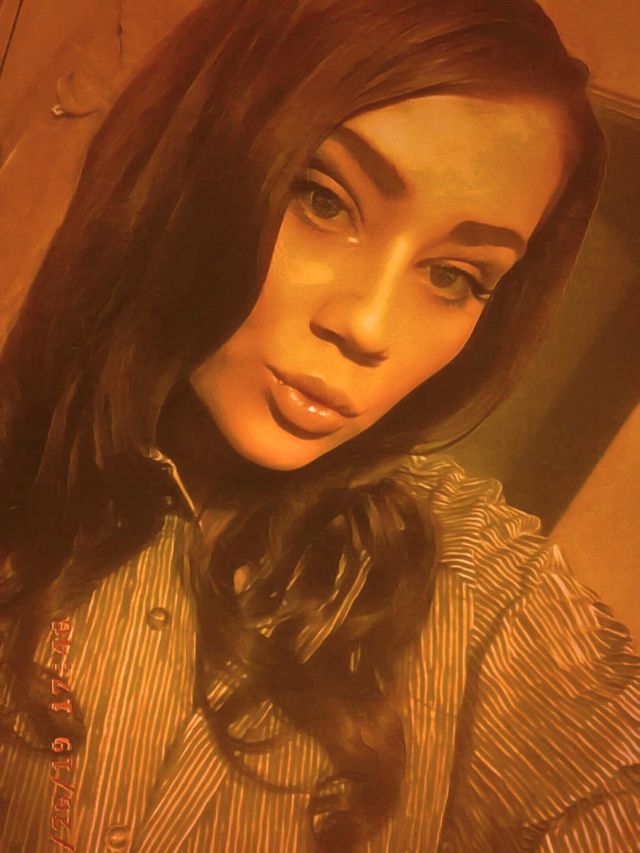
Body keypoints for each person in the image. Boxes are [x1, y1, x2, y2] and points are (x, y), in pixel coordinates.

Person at [0, 0, 638, 850]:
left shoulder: (484, 592)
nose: (369, 326)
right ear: (191, 157)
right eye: (324, 200)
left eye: (454, 276)